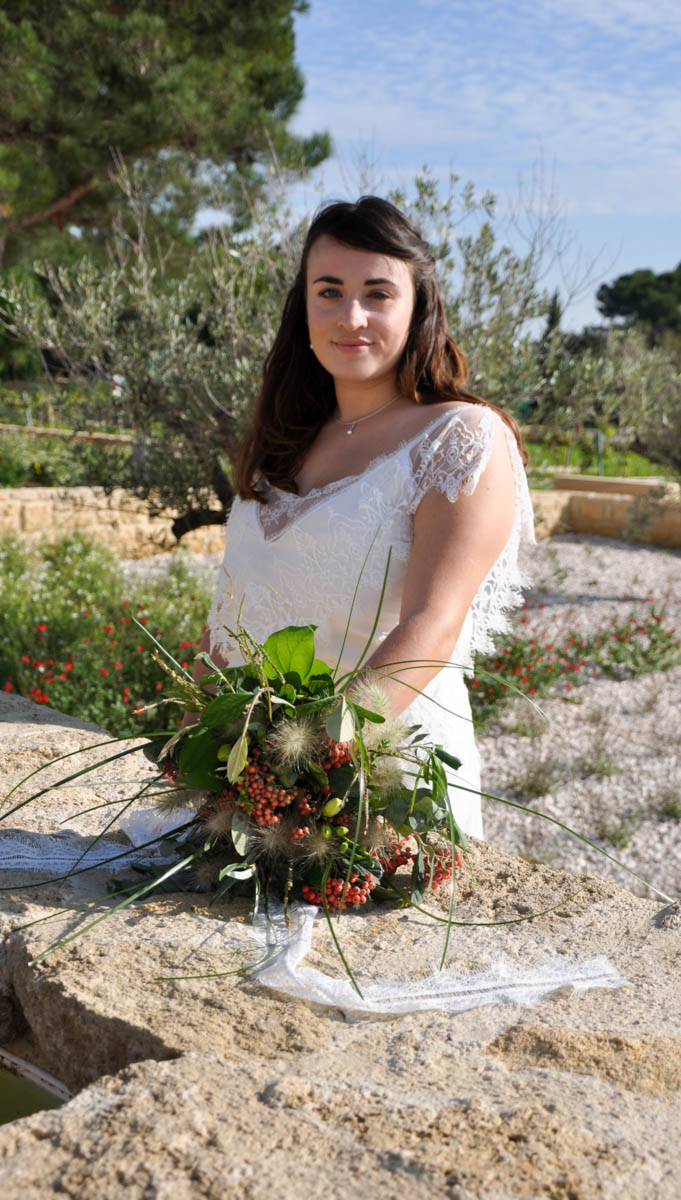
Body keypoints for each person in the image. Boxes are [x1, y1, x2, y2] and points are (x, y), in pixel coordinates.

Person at [198, 196, 534, 839]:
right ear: (305, 306)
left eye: (378, 294)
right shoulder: (283, 440)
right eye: (330, 291)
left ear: (418, 306)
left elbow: (432, 625)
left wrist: (307, 773)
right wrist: (193, 750)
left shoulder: (459, 438)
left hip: (371, 797)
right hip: (248, 798)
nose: (351, 316)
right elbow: (230, 612)